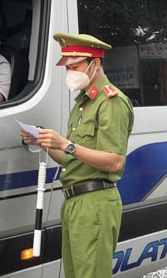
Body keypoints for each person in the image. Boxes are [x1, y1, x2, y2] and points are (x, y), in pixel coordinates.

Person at [21, 33, 134, 278]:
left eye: (75, 67)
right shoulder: (83, 103)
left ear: (95, 64)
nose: (70, 73)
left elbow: (115, 161)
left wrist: (67, 144)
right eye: (67, 68)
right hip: (75, 202)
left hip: (96, 203)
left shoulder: (111, 102)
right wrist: (44, 142)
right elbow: (71, 160)